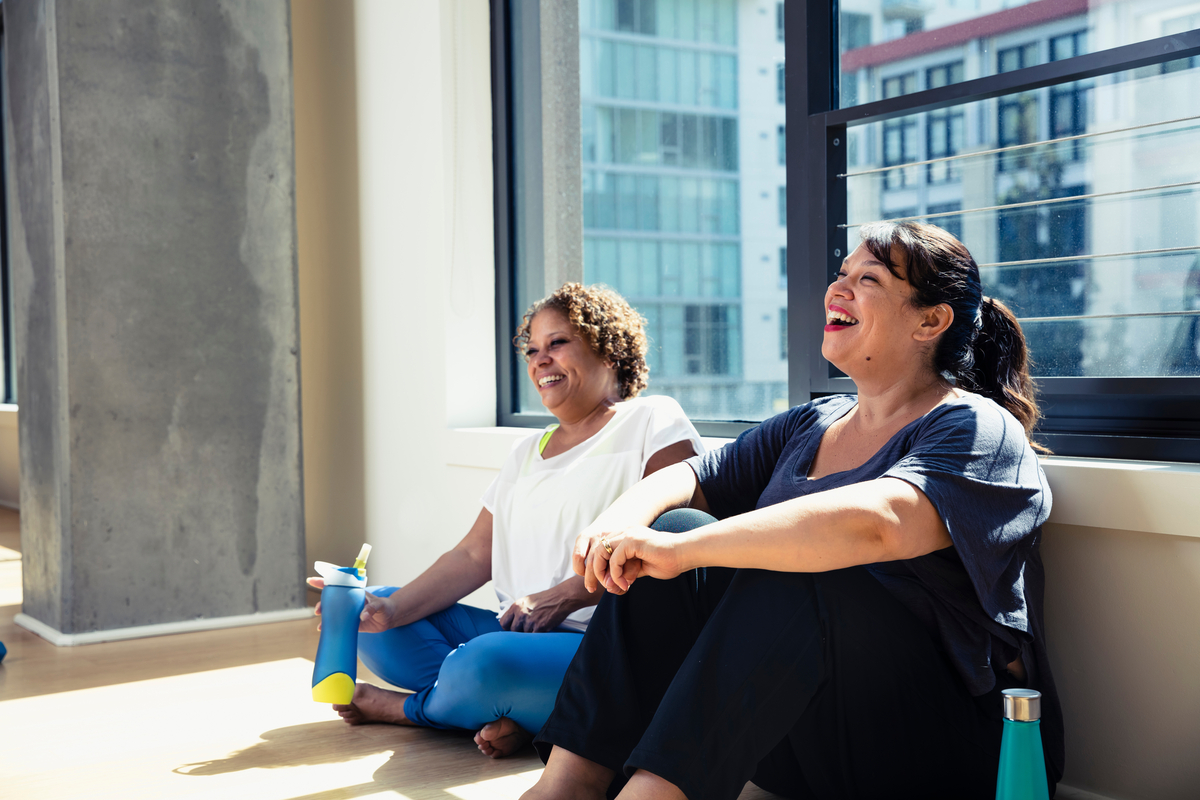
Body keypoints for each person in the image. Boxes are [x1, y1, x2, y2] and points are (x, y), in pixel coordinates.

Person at [522, 222, 1063, 800]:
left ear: (930, 321)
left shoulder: (976, 427)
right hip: (814, 736)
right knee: (675, 522)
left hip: (952, 750)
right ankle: (567, 786)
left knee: (799, 576)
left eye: (868, 279)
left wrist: (681, 552)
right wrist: (622, 521)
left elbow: (876, 525)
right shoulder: (814, 423)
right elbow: (692, 476)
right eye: (841, 275)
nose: (838, 290)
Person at [308, 283, 703, 759]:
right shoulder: (525, 452)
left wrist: (564, 595)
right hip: (518, 634)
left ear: (609, 349)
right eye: (532, 350)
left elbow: (673, 535)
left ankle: (412, 708)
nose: (540, 360)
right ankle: (517, 715)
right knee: (384, 615)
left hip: (602, 645)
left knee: (484, 663)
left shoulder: (651, 419)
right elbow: (474, 554)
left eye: (557, 343)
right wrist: (389, 611)